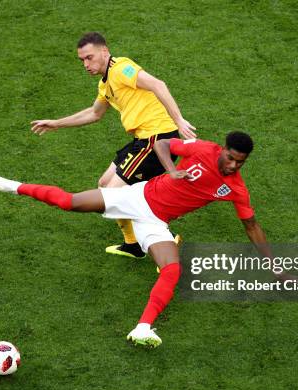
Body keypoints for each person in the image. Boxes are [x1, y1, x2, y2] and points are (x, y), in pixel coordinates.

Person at [0, 131, 294, 347]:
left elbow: (251, 226)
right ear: (223, 149)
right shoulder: (202, 149)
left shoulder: (236, 188)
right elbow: (162, 145)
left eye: (240, 162)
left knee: (172, 269)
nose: (233, 165)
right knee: (70, 202)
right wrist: (171, 170)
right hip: (136, 197)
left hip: (156, 222)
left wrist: (275, 267)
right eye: (231, 158)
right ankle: (12, 185)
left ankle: (142, 327)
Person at [30, 32, 196, 259]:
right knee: (104, 183)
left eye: (89, 57)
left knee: (112, 194)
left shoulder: (122, 68)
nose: (86, 64)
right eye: (82, 60)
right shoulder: (105, 84)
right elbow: (94, 113)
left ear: (104, 51)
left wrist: (179, 120)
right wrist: (57, 124)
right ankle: (133, 244)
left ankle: (163, 239)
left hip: (158, 139)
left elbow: (158, 84)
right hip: (142, 139)